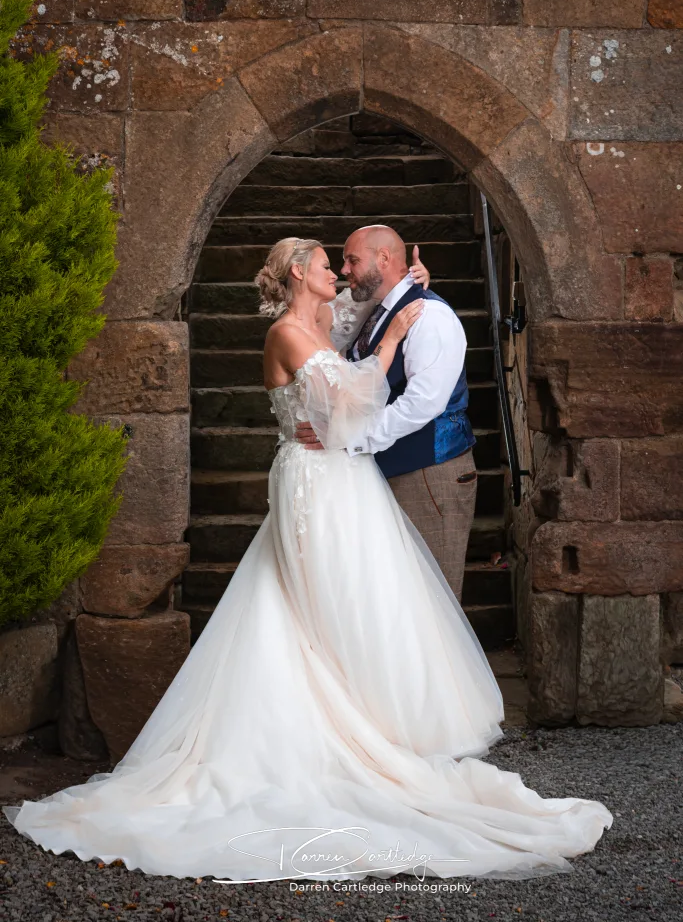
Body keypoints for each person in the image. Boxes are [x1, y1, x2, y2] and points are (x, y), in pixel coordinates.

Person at [2, 237, 613, 884]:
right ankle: (317, 742)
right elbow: (347, 402)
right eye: (329, 264)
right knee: (308, 607)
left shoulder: (325, 316)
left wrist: (406, 290)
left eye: (344, 263)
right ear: (300, 272)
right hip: (312, 482)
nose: (339, 274)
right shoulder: (289, 333)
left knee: (353, 607)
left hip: (343, 479)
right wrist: (389, 341)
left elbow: (360, 314)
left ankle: (371, 730)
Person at [296, 224, 477, 603]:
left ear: (383, 259)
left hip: (429, 473)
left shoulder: (430, 317)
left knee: (433, 602)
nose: (344, 271)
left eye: (352, 260)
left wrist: (350, 437)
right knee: (400, 602)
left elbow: (421, 404)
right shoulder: (376, 311)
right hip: (388, 469)